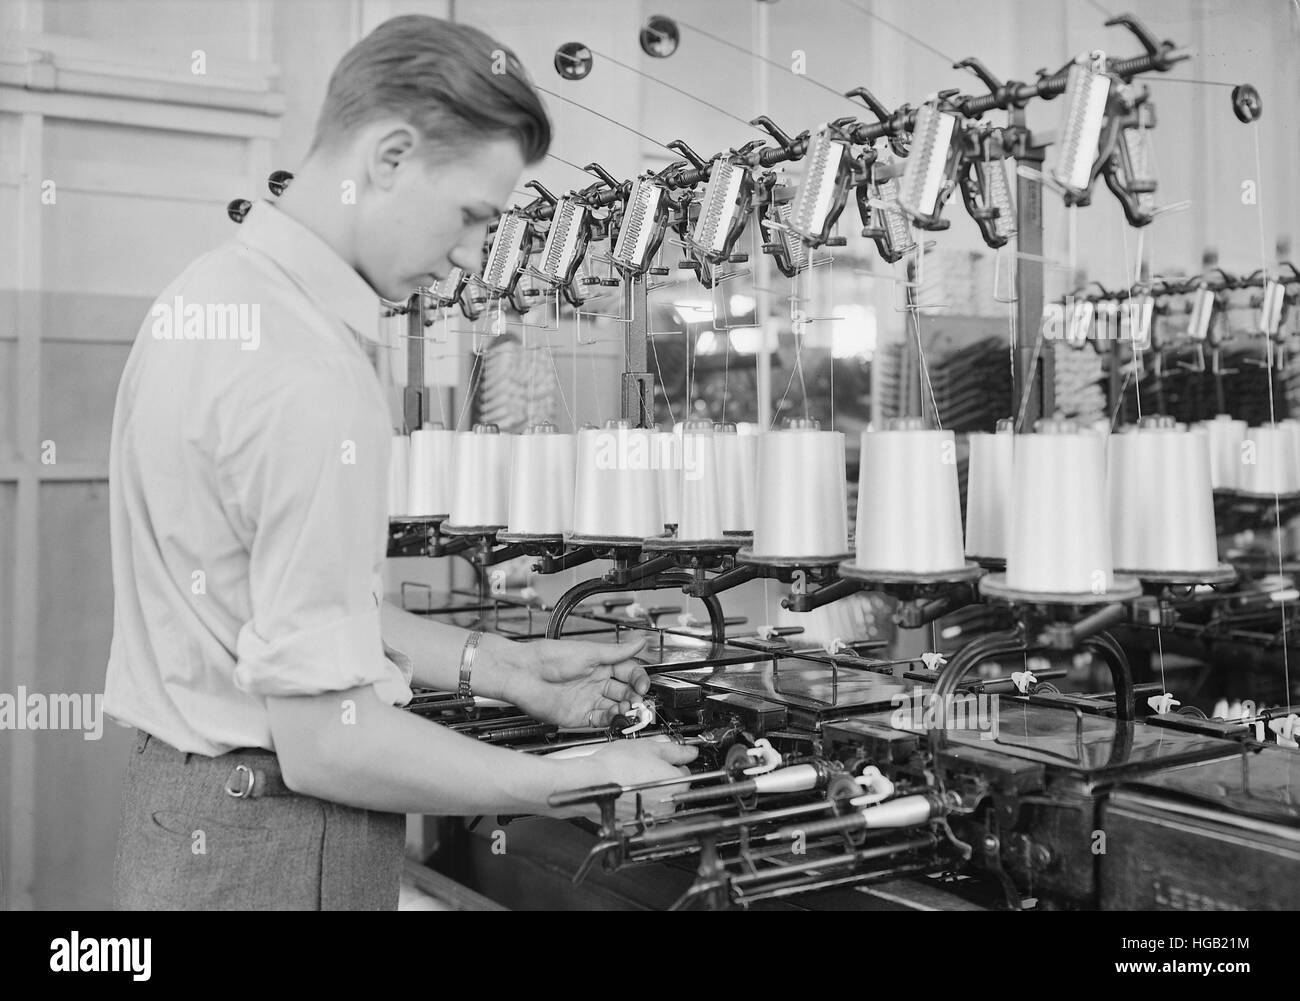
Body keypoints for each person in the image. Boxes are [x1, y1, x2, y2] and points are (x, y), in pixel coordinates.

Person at [105, 13, 696, 911]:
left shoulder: (208, 296)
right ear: (389, 156)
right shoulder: (304, 369)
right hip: (276, 834)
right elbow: (328, 742)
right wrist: (583, 776)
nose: (468, 254)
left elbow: (290, 613)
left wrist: (501, 668)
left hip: (188, 821)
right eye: (471, 216)